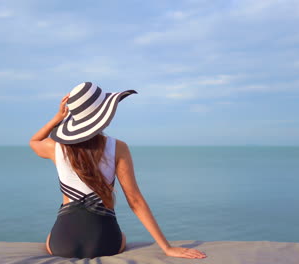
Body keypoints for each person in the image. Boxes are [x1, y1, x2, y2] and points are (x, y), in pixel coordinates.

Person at [29, 82, 207, 259]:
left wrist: (57, 118)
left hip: (63, 243)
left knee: (51, 237)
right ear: (102, 115)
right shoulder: (118, 148)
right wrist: (167, 248)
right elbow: (135, 200)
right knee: (122, 237)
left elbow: (34, 142)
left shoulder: (55, 147)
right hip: (106, 243)